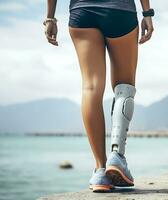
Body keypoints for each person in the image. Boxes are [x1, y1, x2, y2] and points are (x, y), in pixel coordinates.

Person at [44, 0, 154, 192]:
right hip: (120, 10)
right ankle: (116, 156)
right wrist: (147, 13)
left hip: (82, 12)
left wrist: (50, 17)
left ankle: (100, 170)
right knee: (124, 86)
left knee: (90, 88)